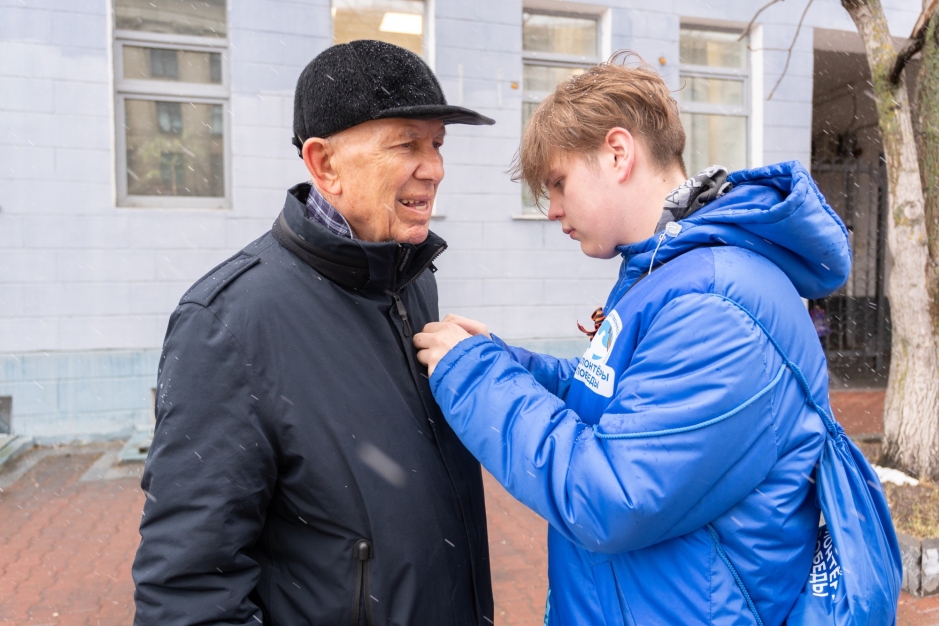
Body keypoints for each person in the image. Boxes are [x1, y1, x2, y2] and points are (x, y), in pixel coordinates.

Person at [414, 56, 855, 624]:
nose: (552, 210)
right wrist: (506, 362)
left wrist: (475, 375)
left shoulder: (716, 304)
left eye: (558, 183)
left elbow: (612, 497)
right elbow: (617, 398)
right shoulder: (668, 274)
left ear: (618, 154)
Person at [132, 40, 496, 625]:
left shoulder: (408, 278)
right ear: (324, 164)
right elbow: (189, 593)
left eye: (438, 144)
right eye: (407, 144)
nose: (435, 168)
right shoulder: (228, 322)